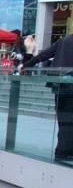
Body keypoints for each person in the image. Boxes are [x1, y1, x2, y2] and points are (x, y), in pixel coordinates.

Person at [20, 32, 73, 160]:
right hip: (70, 86)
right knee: (69, 120)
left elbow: (45, 54)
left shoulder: (64, 40)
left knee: (63, 119)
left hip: (59, 85)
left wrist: (27, 65)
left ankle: (65, 150)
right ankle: (63, 151)